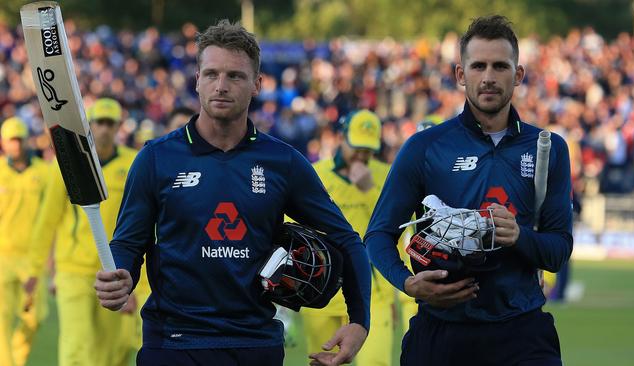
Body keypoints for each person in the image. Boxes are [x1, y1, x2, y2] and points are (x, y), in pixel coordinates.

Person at [93, 20, 370, 366]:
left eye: (235, 76)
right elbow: (128, 243)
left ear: (257, 84)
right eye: (211, 74)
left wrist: (359, 320)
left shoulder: (283, 162)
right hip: (173, 343)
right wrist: (121, 275)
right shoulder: (155, 158)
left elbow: (346, 238)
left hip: (254, 345)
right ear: (196, 80)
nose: (220, 86)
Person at [365, 15, 573, 366]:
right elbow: (378, 234)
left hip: (521, 332)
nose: (488, 77)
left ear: (518, 75)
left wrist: (518, 236)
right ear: (461, 75)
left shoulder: (548, 148)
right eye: (478, 66)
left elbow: (558, 250)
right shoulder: (424, 147)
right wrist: (407, 283)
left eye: (499, 66)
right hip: (441, 331)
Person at [28, 98, 149, 366]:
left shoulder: (134, 164)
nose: (104, 129)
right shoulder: (68, 164)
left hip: (115, 270)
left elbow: (146, 225)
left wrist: (139, 285)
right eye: (99, 123)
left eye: (110, 123)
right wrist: (35, 269)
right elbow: (47, 219)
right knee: (77, 346)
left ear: (119, 127)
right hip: (74, 268)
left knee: (112, 349)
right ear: (89, 125)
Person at [301, 109, 396, 366]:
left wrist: (367, 190)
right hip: (321, 286)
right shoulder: (314, 173)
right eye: (357, 147)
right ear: (342, 138)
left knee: (376, 361)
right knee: (321, 361)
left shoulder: (386, 175)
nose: (362, 156)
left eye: (368, 149)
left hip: (372, 287)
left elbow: (394, 226)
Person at [0, 117, 50, 366]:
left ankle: (17, 357)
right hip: (3, 256)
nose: (16, 145)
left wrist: (50, 257)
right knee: (1, 320)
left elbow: (52, 217)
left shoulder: (44, 172)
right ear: (4, 142)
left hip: (33, 259)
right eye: (12, 140)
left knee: (35, 318)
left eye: (20, 139)